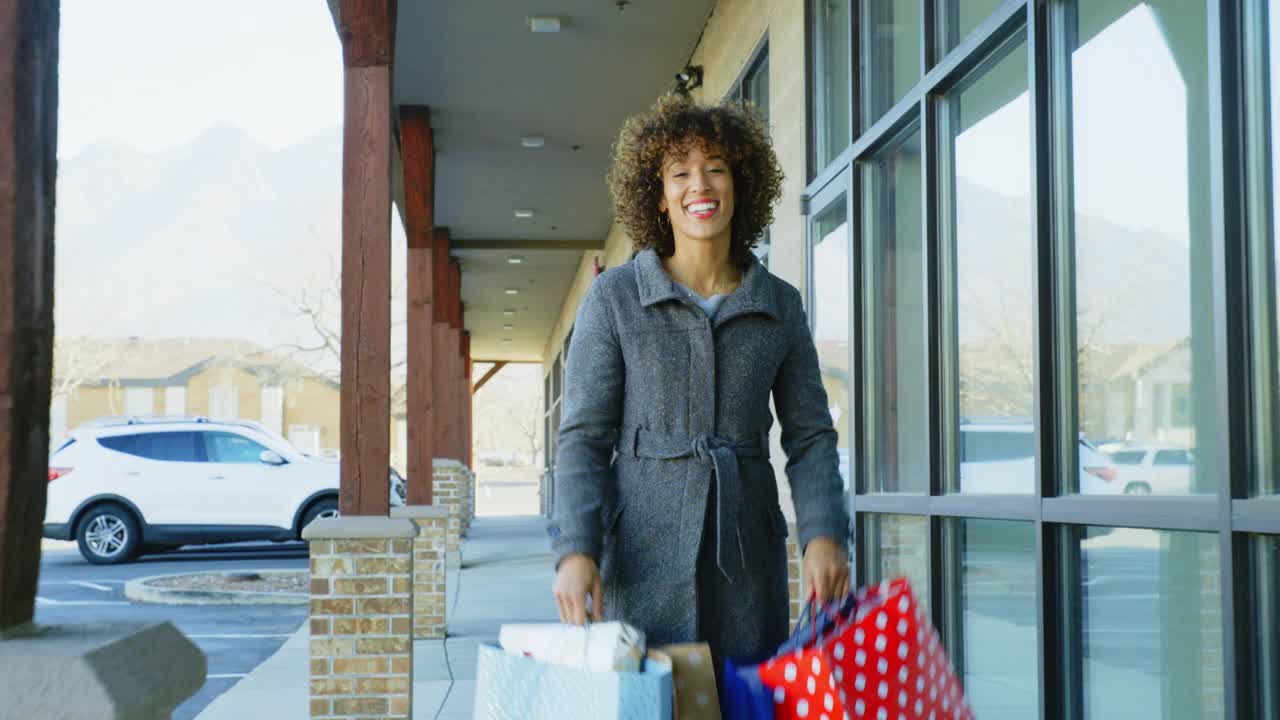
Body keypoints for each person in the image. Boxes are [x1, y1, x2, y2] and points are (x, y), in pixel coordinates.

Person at [548, 93, 851, 676]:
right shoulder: (614, 299)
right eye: (679, 172)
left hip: (748, 564)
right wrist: (575, 548)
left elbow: (811, 436)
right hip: (639, 558)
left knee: (742, 703)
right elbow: (583, 437)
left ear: (740, 185)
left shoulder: (779, 305)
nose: (699, 186)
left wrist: (823, 534)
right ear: (659, 196)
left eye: (716, 168)